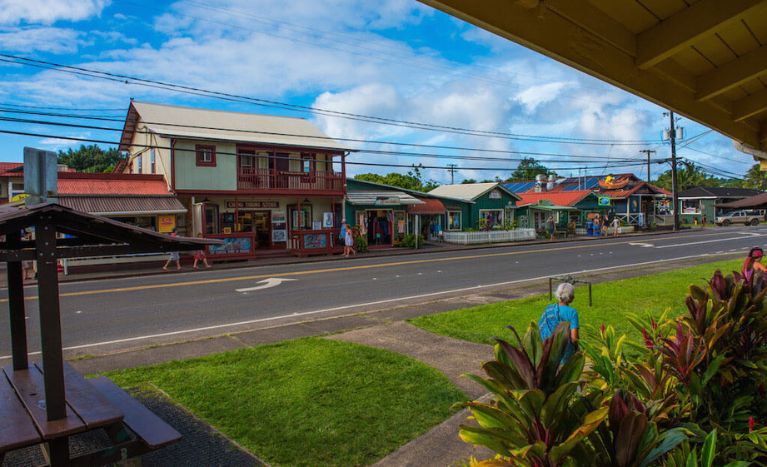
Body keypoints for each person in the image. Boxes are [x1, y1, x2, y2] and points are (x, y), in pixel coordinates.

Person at [539, 282, 579, 363]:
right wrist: (577, 349)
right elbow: (574, 338)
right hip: (566, 355)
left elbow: (541, 328)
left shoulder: (548, 309)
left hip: (549, 352)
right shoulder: (572, 312)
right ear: (571, 297)